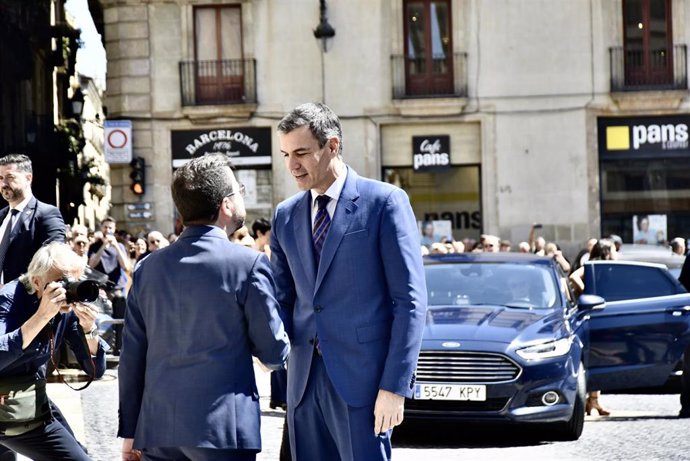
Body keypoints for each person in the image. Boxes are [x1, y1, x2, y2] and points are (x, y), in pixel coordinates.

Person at [272, 102, 427, 460]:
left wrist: (395, 386)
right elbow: (281, 299)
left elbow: (410, 302)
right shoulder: (285, 215)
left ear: (332, 146)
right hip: (303, 387)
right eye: (285, 154)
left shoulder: (385, 203)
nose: (291, 165)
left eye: (301, 153)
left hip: (365, 386)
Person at [118, 153, 290, 461]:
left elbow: (131, 358)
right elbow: (274, 352)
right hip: (222, 428)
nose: (242, 196)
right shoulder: (247, 264)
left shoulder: (147, 268)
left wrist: (129, 432)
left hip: (158, 428)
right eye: (239, 190)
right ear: (226, 205)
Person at [0, 242, 107, 460]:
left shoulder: (65, 307)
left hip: (31, 400)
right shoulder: (10, 300)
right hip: (8, 406)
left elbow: (95, 370)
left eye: (74, 281)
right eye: (61, 282)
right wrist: (42, 316)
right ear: (37, 282)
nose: (69, 290)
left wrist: (89, 330)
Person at [0, 154, 65, 285]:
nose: (3, 183)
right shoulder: (1, 216)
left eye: (10, 177)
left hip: (25, 300)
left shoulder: (47, 214)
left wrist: (8, 289)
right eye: (0, 178)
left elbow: (52, 263)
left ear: (28, 178)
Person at [570, 239, 617, 416]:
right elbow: (573, 276)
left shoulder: (608, 266)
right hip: (596, 314)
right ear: (606, 251)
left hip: (602, 313)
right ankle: (593, 401)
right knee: (599, 356)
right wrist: (586, 292)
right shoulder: (595, 265)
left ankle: (594, 400)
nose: (616, 252)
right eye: (613, 249)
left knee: (600, 356)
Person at [88, 217, 131, 355]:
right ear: (101, 228)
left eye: (110, 228)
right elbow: (91, 265)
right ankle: (102, 351)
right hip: (101, 290)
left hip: (117, 288)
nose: (108, 230)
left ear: (115, 229)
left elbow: (126, 267)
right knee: (102, 322)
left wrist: (117, 247)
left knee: (121, 320)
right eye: (105, 227)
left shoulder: (121, 246)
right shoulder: (94, 246)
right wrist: (103, 246)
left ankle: (120, 349)